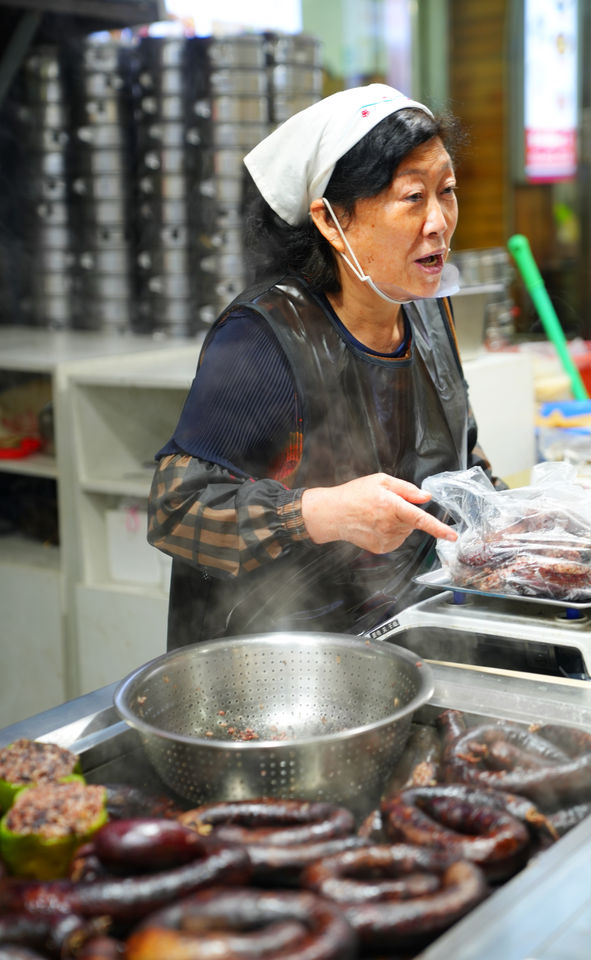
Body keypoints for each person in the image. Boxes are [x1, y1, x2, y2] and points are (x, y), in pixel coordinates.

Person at [148, 83, 505, 649]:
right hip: (277, 664)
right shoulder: (264, 338)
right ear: (331, 219)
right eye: (413, 197)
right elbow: (176, 508)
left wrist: (515, 522)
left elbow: (462, 456)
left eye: (448, 192)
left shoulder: (430, 315)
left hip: (410, 631)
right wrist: (320, 512)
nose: (438, 222)